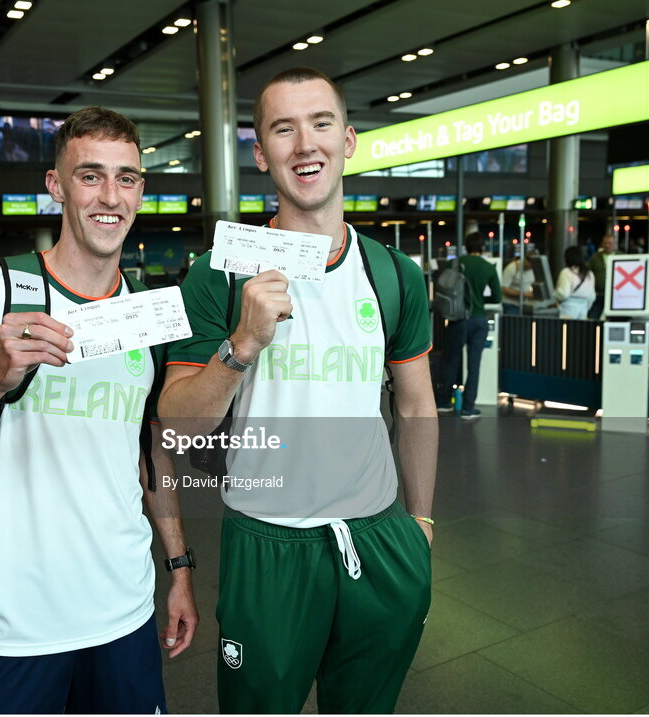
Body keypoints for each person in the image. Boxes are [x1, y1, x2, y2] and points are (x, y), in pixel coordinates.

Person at [0, 106, 197, 714]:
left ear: (141, 192)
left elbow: (148, 451)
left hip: (125, 612)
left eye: (127, 178)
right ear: (56, 186)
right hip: (15, 626)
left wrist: (179, 565)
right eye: (90, 176)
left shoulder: (147, 316)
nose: (111, 196)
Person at [159, 68, 436, 714]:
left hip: (377, 539)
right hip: (269, 548)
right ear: (261, 153)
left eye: (320, 123)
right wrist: (239, 348)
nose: (304, 144)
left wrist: (420, 524)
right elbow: (176, 427)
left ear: (349, 139)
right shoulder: (217, 274)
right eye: (283, 129)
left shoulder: (393, 274)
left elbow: (417, 404)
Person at [436, 232, 503, 418]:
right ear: (482, 247)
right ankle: (468, 407)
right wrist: (481, 299)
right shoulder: (488, 267)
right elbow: (497, 297)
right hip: (478, 320)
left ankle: (444, 402)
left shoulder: (455, 263)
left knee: (451, 361)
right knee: (474, 365)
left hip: (457, 319)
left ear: (466, 246)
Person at [553, 246, 596, 320]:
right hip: (583, 308)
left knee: (566, 330)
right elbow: (592, 296)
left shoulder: (566, 272)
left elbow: (563, 294)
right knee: (579, 330)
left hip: (568, 308)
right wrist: (586, 307)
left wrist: (553, 295)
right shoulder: (589, 273)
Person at [587, 233, 617, 319]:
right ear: (602, 243)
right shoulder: (595, 257)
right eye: (605, 243)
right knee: (593, 317)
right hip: (598, 294)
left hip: (615, 296)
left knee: (613, 319)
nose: (607, 245)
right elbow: (588, 274)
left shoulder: (621, 256)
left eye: (610, 243)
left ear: (615, 244)